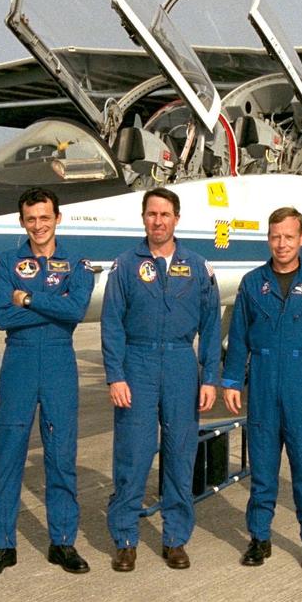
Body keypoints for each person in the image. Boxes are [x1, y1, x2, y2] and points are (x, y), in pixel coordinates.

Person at [0, 188, 94, 578]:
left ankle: (63, 542)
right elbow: (4, 317)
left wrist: (28, 300)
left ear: (57, 218)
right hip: (21, 361)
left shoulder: (76, 263)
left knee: (61, 454)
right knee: (7, 452)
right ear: (22, 221)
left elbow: (76, 310)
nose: (39, 225)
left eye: (45, 217)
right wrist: (48, 304)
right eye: (31, 219)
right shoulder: (7, 263)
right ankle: (1, 545)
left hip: (60, 360)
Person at [102, 187, 221, 571]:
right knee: (132, 454)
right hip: (137, 363)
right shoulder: (124, 265)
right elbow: (111, 325)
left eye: (165, 214)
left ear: (176, 219)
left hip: (181, 363)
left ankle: (175, 539)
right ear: (144, 218)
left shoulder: (198, 266)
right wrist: (115, 376)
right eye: (152, 214)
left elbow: (212, 325)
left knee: (180, 453)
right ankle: (125, 538)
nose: (158, 221)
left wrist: (209, 378)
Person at [222, 207, 302, 570]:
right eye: (275, 236)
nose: (282, 244)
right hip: (262, 386)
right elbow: (239, 336)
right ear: (269, 239)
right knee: (262, 471)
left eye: (289, 237)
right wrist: (231, 381)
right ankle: (260, 538)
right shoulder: (252, 282)